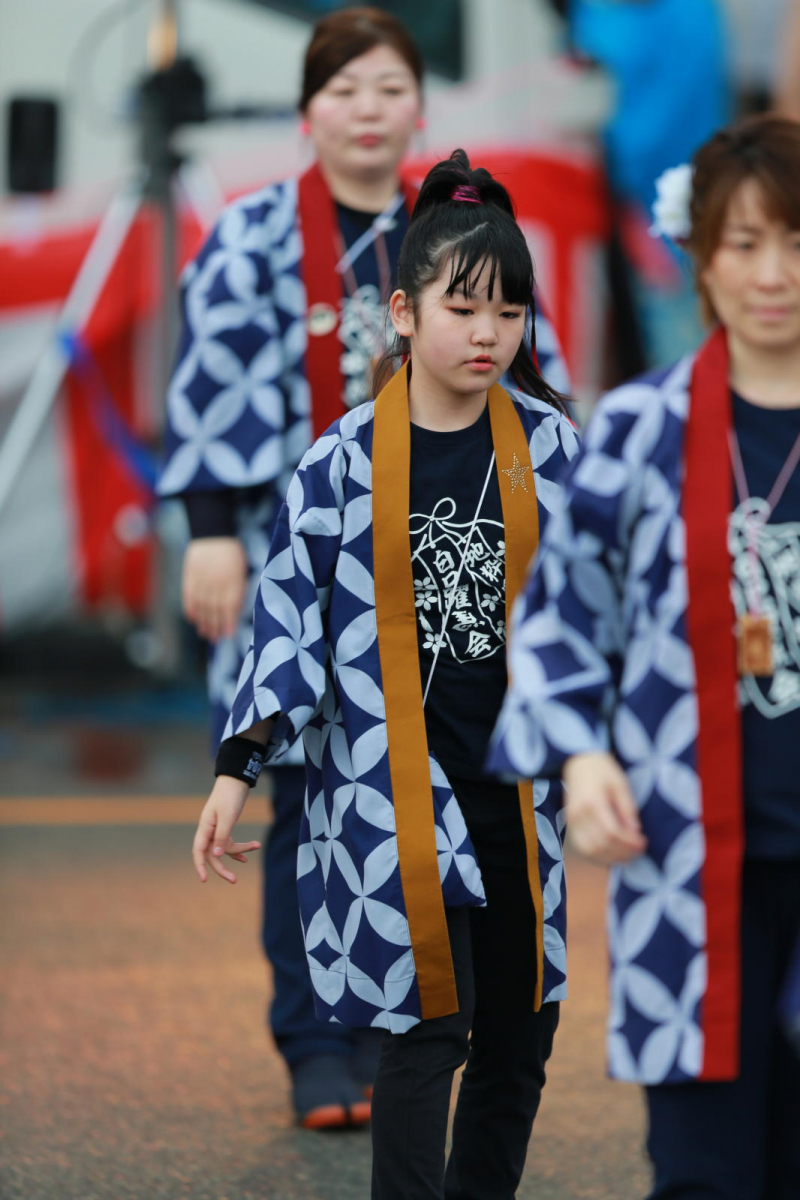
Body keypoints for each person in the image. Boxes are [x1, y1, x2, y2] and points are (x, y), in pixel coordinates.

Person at [158, 7, 568, 1129]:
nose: (368, 111)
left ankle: (431, 1021)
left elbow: (547, 395)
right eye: (344, 91)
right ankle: (318, 1043)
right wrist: (205, 531)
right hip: (304, 556)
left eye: (390, 89)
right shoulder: (248, 236)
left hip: (456, 549)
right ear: (306, 113)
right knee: (306, 793)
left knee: (466, 799)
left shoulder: (463, 235)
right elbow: (207, 391)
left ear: (417, 111)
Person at [490, 114, 800, 1200]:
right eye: (743, 243)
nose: (771, 275)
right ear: (698, 255)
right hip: (685, 859)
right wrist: (577, 759)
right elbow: (560, 621)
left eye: (796, 244)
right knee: (706, 1172)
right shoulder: (637, 428)